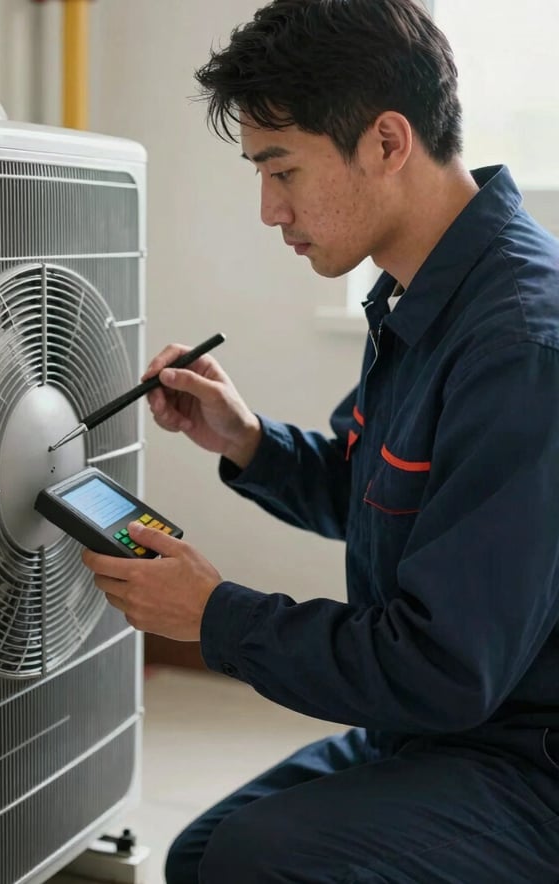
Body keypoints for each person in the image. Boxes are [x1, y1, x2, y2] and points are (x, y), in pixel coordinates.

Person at [81, 0, 559, 880]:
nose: (269, 210)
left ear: (386, 142)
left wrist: (213, 617)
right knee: (199, 854)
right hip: (442, 731)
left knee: (255, 863)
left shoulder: (520, 345)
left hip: (523, 762)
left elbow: (446, 667)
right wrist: (249, 439)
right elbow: (370, 491)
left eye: (282, 170)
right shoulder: (421, 296)